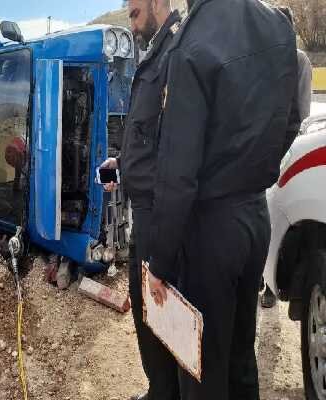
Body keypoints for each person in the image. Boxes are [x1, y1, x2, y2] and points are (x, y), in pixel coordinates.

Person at [145, 0, 300, 398]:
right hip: (254, 216)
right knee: (241, 357)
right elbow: (291, 118)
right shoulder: (277, 27)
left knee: (202, 369)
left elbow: (177, 173)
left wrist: (159, 261)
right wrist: (258, 165)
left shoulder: (192, 44)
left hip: (211, 230)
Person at [100, 0, 181, 399]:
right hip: (142, 209)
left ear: (156, 3)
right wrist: (122, 163)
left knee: (160, 314)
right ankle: (159, 390)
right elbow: (148, 135)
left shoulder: (177, 53)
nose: (131, 26)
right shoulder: (156, 53)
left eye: (134, 14)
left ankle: (167, 393)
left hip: (158, 214)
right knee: (145, 312)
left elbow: (176, 149)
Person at [261, 6, 313, 308]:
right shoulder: (269, 61)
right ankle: (261, 276)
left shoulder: (299, 61)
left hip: (288, 147)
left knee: (278, 214)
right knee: (264, 211)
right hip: (267, 146)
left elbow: (302, 112)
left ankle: (270, 285)